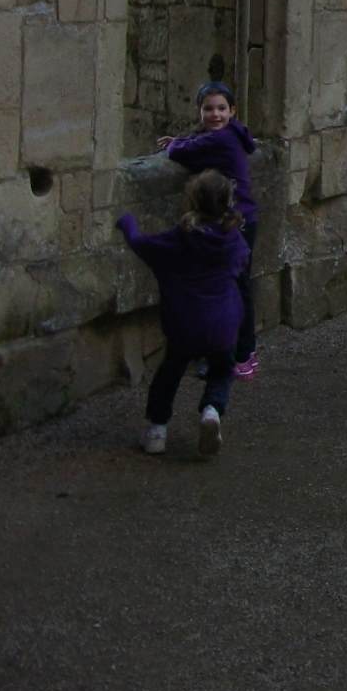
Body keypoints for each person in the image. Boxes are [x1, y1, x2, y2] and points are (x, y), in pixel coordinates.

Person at [116, 170, 251, 458]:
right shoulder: (233, 240)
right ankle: (211, 411)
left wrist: (127, 224)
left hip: (185, 322)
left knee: (170, 372)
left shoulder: (182, 238)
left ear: (192, 200)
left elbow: (143, 245)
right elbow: (241, 262)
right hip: (223, 322)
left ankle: (157, 430)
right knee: (221, 370)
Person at [159, 81, 260, 377]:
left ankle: (239, 355)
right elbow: (198, 144)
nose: (215, 114)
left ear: (232, 110)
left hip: (236, 222)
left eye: (221, 109)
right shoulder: (234, 132)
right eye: (208, 109)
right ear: (200, 111)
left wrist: (175, 143)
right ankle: (236, 353)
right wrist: (182, 140)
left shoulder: (221, 139)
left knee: (232, 288)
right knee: (233, 287)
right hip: (242, 219)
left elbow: (179, 153)